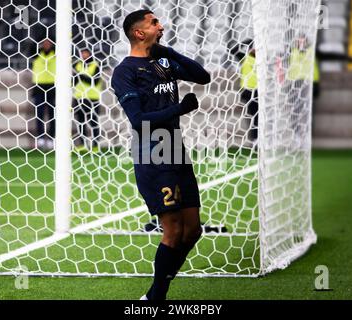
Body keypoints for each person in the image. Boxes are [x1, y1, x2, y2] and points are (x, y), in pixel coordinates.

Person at [111, 9, 210, 300]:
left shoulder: (163, 61)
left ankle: (154, 293)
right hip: (152, 152)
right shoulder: (125, 72)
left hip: (176, 149)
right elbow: (138, 121)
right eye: (154, 23)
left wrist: (165, 48)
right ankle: (156, 297)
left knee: (193, 230)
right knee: (174, 230)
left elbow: (201, 76)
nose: (161, 25)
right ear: (139, 33)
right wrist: (180, 108)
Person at [72, 48, 103, 152]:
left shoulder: (96, 65)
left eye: (86, 53)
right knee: (81, 122)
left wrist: (80, 75)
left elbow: (94, 81)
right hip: (79, 97)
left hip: (92, 98)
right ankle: (82, 144)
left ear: (90, 54)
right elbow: (74, 81)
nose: (84, 55)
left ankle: (95, 145)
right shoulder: (77, 65)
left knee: (93, 121)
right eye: (82, 53)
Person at [231, 39, 258, 143]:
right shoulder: (244, 58)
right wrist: (245, 42)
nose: (253, 49)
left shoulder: (264, 59)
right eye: (252, 47)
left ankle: (257, 138)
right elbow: (232, 50)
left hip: (259, 92)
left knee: (258, 116)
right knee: (252, 116)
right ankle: (254, 138)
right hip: (248, 92)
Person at [31, 38, 56, 150]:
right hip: (39, 87)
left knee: (52, 114)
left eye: (48, 42)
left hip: (53, 87)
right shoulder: (37, 54)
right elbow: (31, 46)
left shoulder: (56, 54)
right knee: (39, 113)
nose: (46, 44)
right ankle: (40, 138)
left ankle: (52, 138)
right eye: (44, 42)